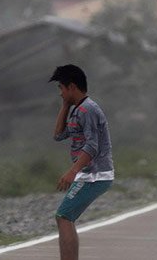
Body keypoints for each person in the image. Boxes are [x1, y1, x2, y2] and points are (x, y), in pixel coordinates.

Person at [49, 64, 114, 260]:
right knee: (64, 217)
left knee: (64, 216)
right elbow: (59, 135)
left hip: (95, 175)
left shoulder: (88, 110)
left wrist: (72, 171)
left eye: (61, 88)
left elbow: (92, 146)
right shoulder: (77, 110)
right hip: (87, 174)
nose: (60, 93)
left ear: (72, 87)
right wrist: (65, 105)